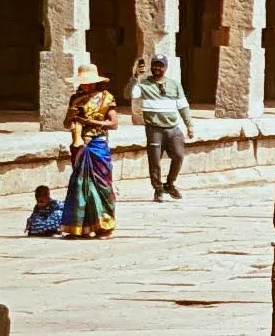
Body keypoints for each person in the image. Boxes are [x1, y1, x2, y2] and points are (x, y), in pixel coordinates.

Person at [61, 63, 118, 238]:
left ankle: (104, 226)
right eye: (83, 82)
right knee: (79, 185)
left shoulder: (106, 98)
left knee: (102, 185)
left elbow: (113, 124)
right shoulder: (75, 98)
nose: (85, 85)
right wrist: (71, 115)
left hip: (97, 144)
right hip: (80, 144)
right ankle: (79, 226)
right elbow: (67, 124)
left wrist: (91, 123)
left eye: (88, 82)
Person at [131, 54, 193, 201]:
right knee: (155, 160)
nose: (157, 68)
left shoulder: (175, 84)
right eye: (155, 65)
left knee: (179, 156)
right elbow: (131, 94)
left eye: (160, 65)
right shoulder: (144, 84)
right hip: (154, 129)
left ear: (165, 67)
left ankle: (170, 184)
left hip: (173, 128)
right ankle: (158, 188)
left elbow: (183, 106)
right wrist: (135, 77)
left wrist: (189, 125)